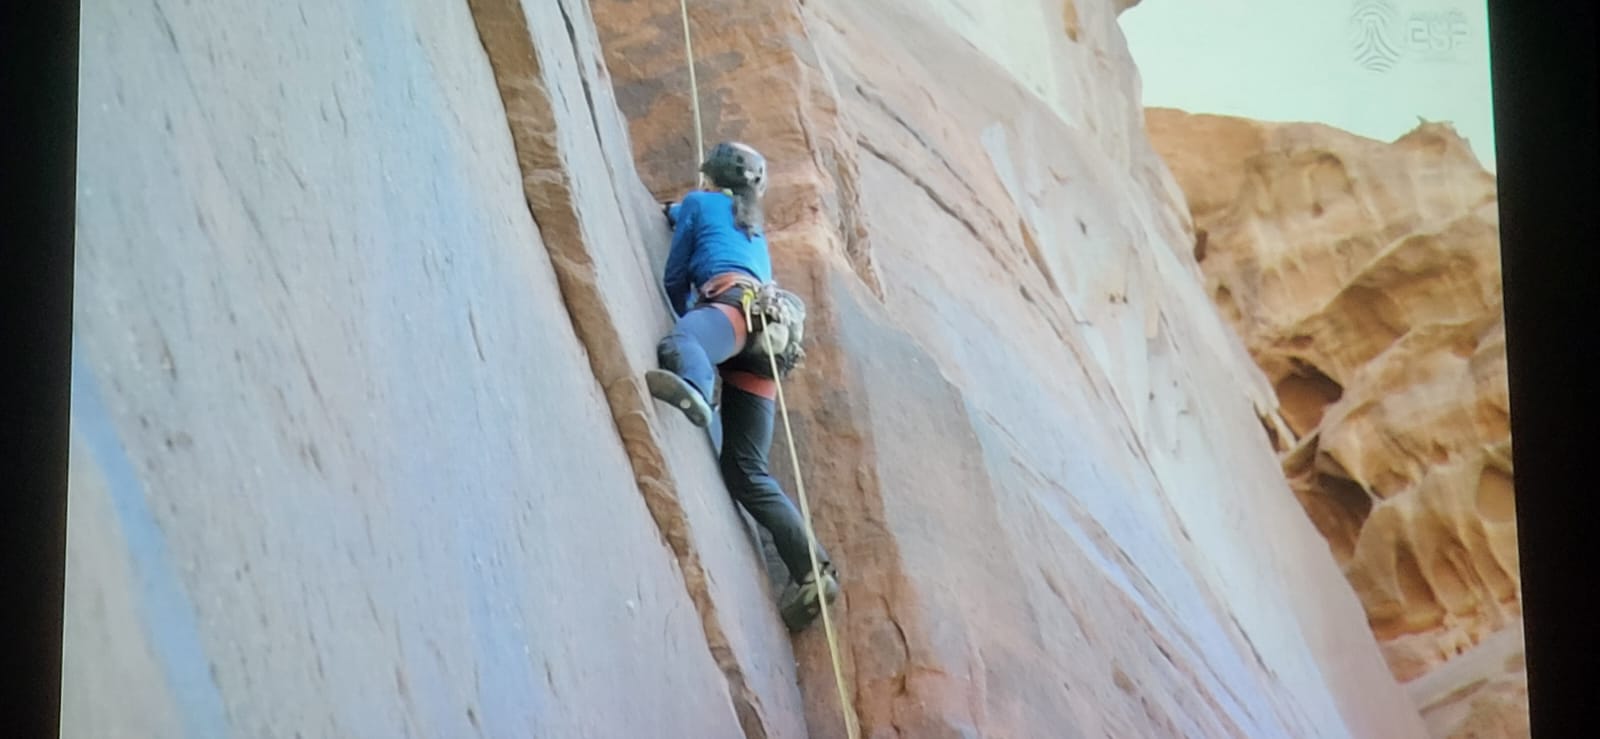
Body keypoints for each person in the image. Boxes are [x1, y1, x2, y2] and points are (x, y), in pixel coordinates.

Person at [645, 141, 839, 631]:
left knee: (684, 342)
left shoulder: (701, 201)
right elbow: (699, 218)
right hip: (767, 343)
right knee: (747, 471)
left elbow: (674, 276)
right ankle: (812, 571)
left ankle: (695, 385)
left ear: (710, 173)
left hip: (732, 312)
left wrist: (693, 321)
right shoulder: (752, 226)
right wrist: (676, 213)